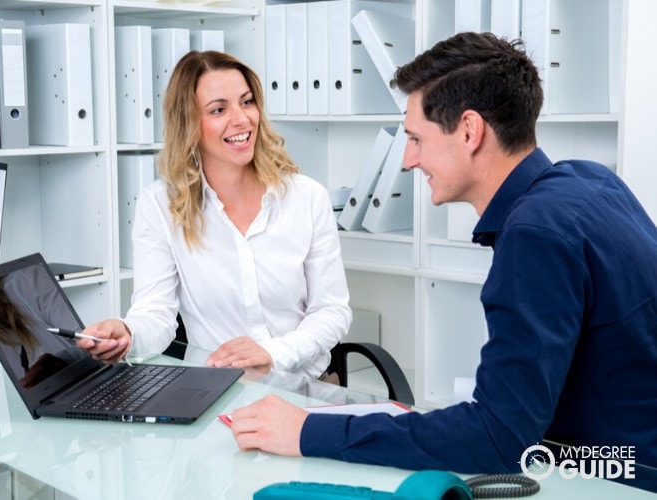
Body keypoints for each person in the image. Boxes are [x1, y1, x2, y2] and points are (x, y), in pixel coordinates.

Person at [229, 32, 657, 477]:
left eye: (416, 139)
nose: (409, 160)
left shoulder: (536, 234)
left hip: (619, 478)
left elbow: (498, 439)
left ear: (469, 131)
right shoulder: (585, 179)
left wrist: (307, 432)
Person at [77, 51, 351, 380]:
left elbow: (331, 311)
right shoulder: (161, 206)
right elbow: (156, 314)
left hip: (303, 388)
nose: (241, 119)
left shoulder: (306, 198)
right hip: (217, 395)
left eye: (247, 102)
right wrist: (127, 332)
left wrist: (273, 355)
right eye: (219, 109)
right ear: (189, 124)